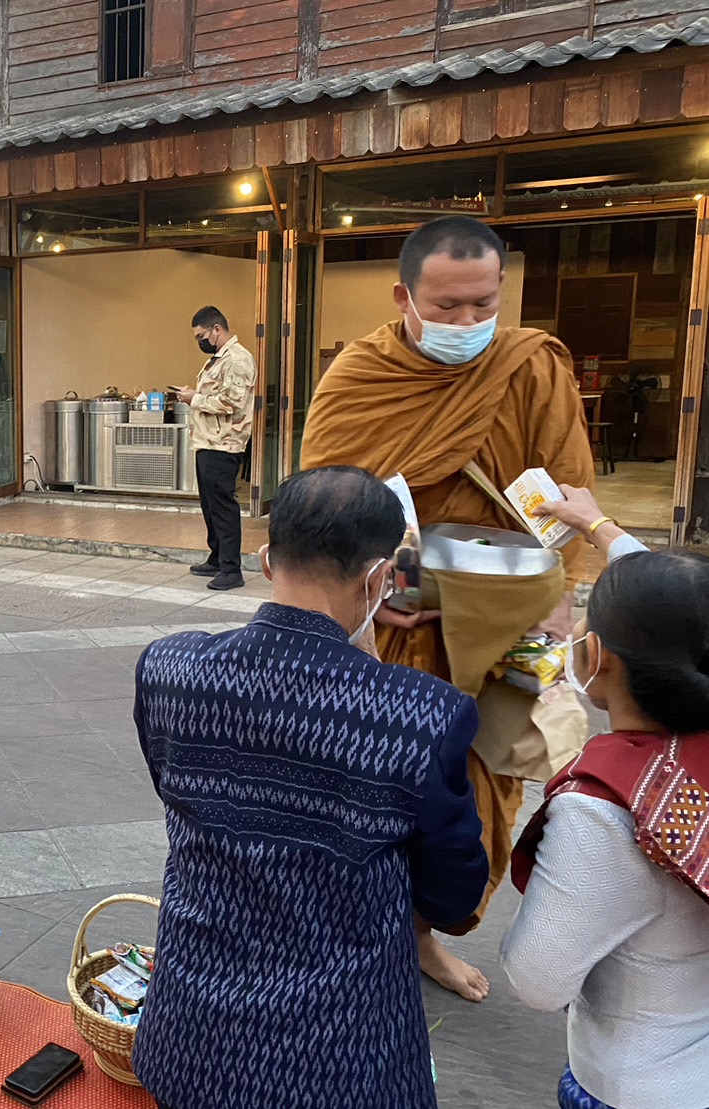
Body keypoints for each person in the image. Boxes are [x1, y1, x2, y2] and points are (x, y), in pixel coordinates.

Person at [300, 214, 595, 1002]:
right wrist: (363, 595)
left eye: (482, 303)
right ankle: (365, 932)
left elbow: (565, 498)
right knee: (373, 791)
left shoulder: (531, 366)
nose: (468, 323)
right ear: (403, 295)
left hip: (497, 630)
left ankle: (424, 934)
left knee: (466, 800)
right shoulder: (358, 375)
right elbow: (319, 505)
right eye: (446, 306)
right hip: (392, 628)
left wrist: (558, 598)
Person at [131, 467, 488, 1109]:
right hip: (339, 1062)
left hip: (189, 1038)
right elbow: (453, 889)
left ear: (267, 560)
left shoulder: (170, 668)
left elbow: (174, 785)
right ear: (379, 579)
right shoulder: (422, 715)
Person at [503, 549, 709, 1109]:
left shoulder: (604, 809)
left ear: (596, 655)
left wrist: (585, 764)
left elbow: (537, 979)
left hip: (639, 1085)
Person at [177, 306, 257, 592]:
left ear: (216, 330)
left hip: (224, 444)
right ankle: (216, 556)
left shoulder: (237, 359)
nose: (200, 340)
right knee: (209, 505)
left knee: (222, 506)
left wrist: (194, 398)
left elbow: (232, 403)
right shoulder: (217, 360)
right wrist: (195, 395)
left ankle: (231, 569)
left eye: (201, 335)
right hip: (208, 442)